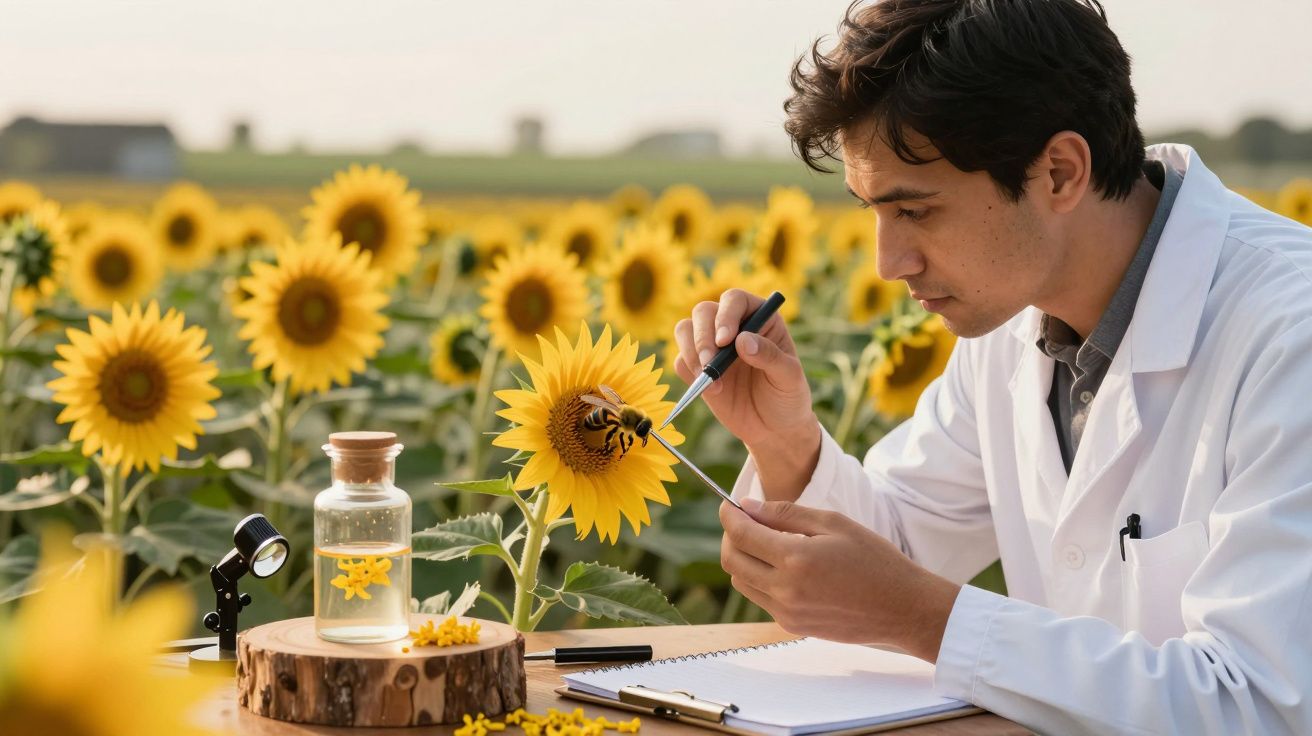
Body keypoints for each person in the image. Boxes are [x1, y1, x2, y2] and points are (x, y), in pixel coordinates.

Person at [671, 1, 1312, 733]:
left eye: (915, 212)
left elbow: (1263, 702)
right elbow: (896, 554)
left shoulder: (1291, 335)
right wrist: (784, 440)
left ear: (1060, 172)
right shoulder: (1011, 321)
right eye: (872, 211)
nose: (887, 263)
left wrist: (925, 618)